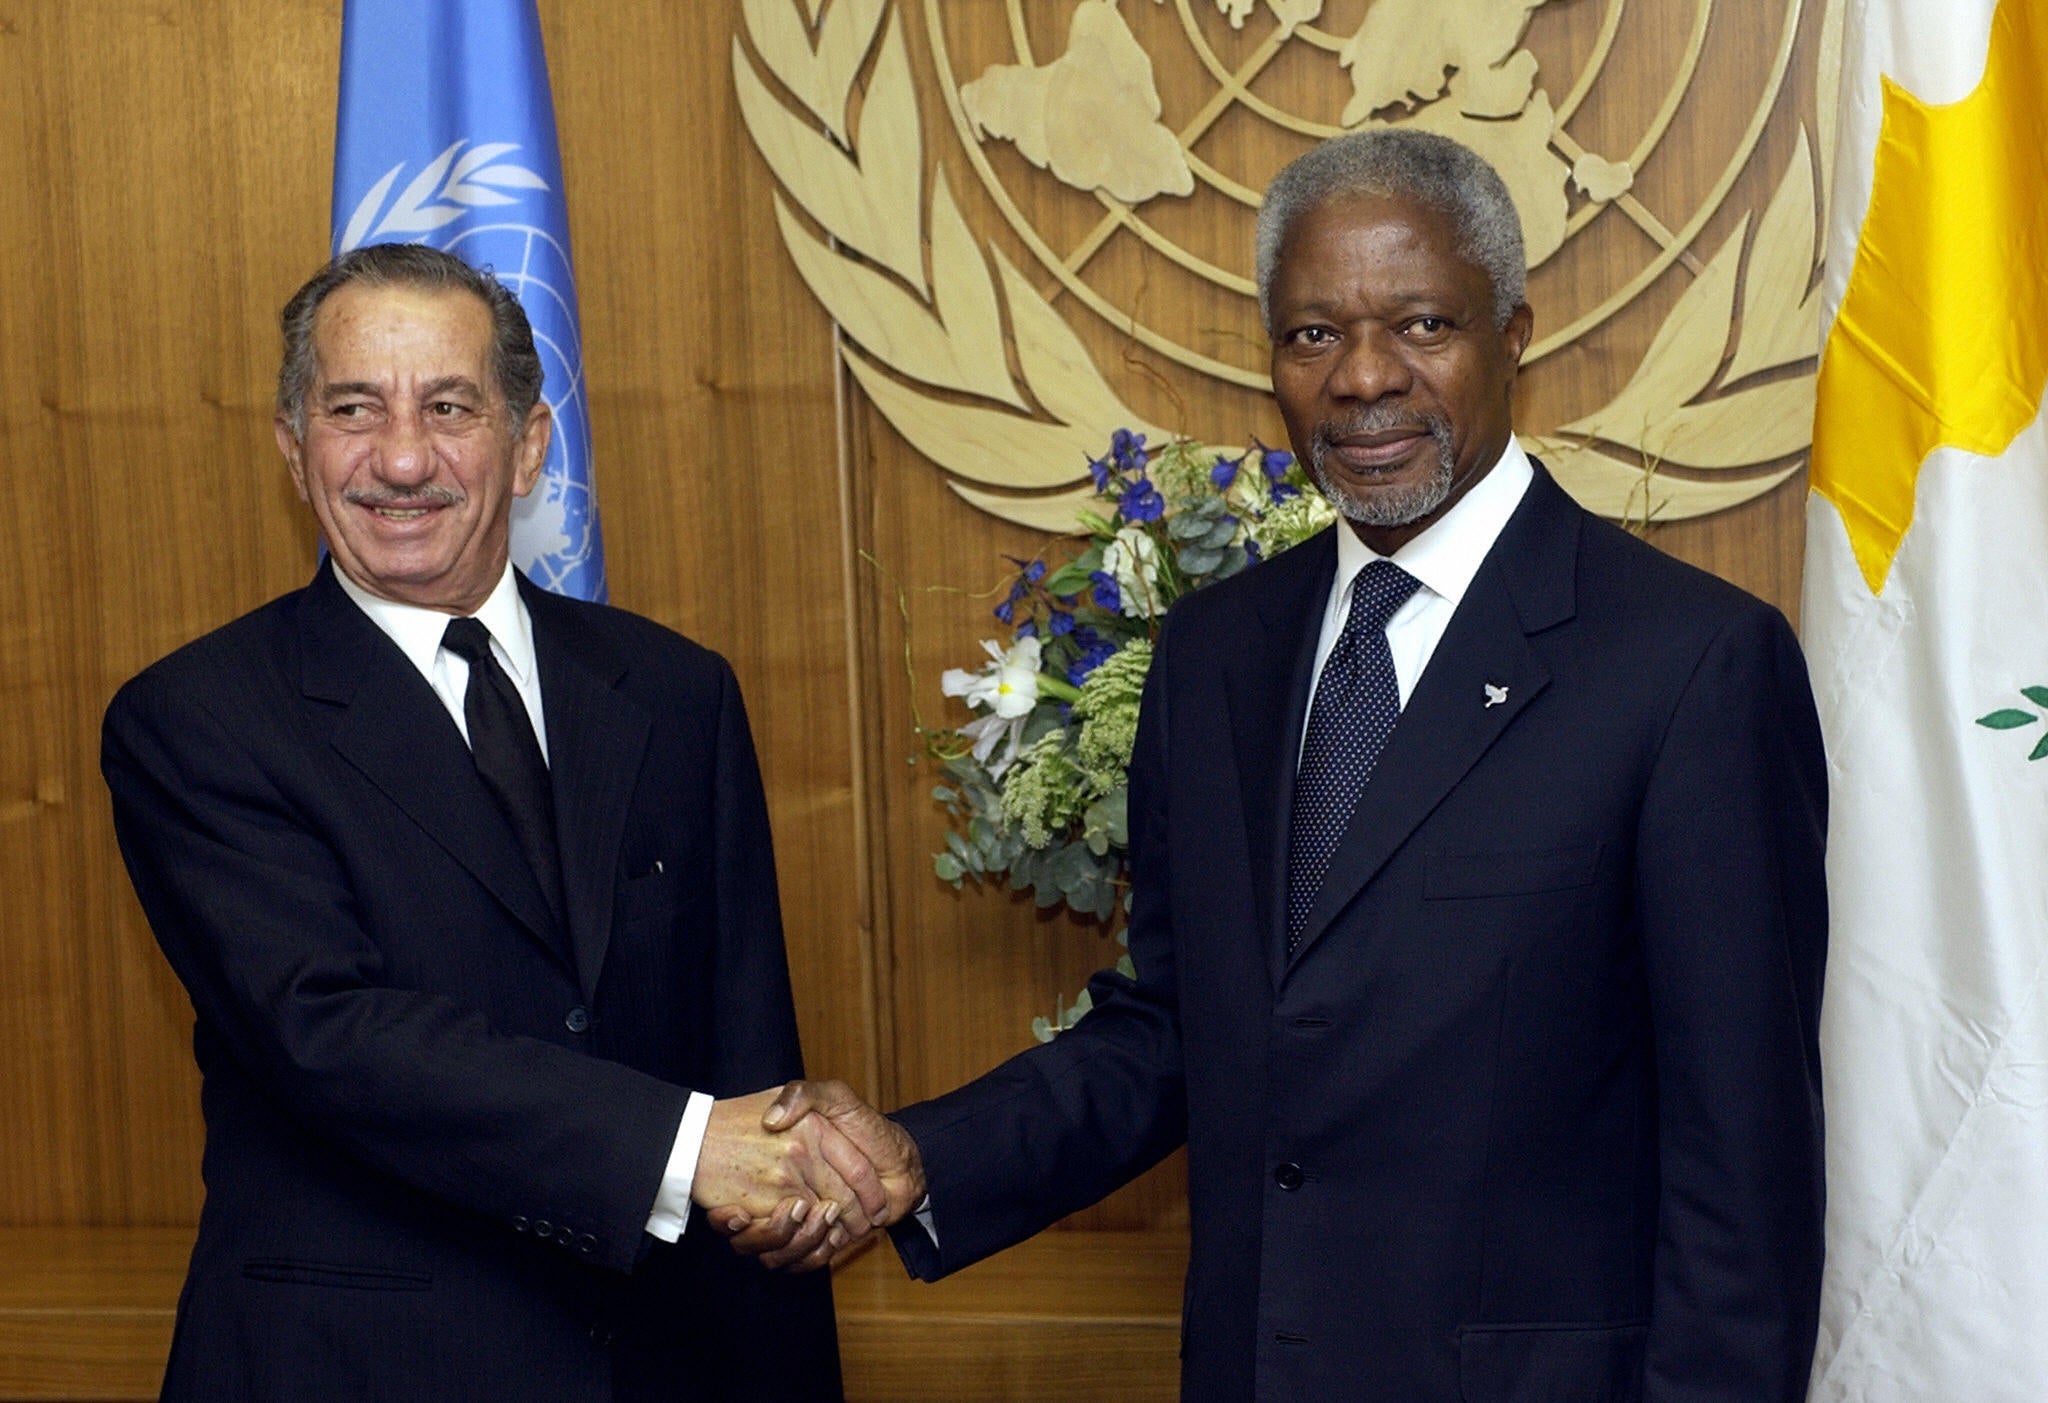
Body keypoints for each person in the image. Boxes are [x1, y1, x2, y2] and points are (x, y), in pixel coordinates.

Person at [732, 130, 1830, 1402]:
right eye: (1311, 335)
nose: (1363, 377)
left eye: (1420, 322)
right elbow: (1178, 1028)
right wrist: (920, 1156)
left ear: (1514, 330)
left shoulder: (1688, 665)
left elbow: (1740, 1171)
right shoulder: (1217, 654)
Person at [101, 243, 885, 1401]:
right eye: (353, 407)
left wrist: (795, 1189)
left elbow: (746, 1051)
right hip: (358, 1368)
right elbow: (331, 1034)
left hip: (669, 1360)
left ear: (526, 446)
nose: (402, 456)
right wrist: (685, 1147)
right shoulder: (198, 718)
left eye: (450, 407)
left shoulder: (675, 691)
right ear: (291, 445)